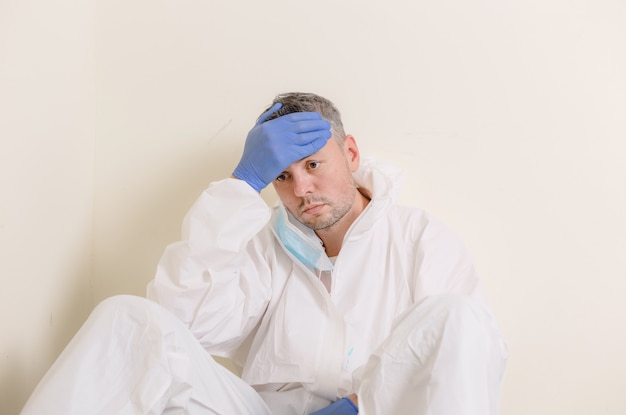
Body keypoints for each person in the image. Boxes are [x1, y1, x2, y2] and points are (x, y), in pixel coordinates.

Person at [21, 92, 507, 415]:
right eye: (281, 176)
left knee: (459, 317)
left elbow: (458, 363)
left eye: (314, 165)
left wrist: (358, 405)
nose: (302, 190)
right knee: (127, 318)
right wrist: (239, 188)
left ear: (351, 155)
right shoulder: (260, 246)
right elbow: (179, 324)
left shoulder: (420, 239)